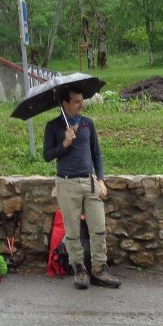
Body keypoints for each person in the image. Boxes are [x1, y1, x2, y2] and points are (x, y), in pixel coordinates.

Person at [43, 86, 121, 290]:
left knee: (98, 227)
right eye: (76, 101)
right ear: (65, 104)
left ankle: (99, 269)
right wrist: (65, 143)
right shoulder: (53, 126)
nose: (81, 104)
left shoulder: (88, 124)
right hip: (67, 182)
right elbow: (47, 155)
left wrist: (101, 180)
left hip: (89, 181)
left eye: (81, 100)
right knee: (72, 230)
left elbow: (96, 153)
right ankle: (78, 269)